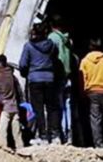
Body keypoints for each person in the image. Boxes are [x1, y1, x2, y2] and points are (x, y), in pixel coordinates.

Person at [19, 22, 62, 144]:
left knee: (38, 109)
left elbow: (23, 64)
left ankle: (42, 135)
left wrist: (26, 73)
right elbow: (55, 59)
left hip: (35, 79)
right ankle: (55, 135)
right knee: (52, 108)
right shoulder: (52, 45)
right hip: (50, 78)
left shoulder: (28, 46)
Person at [80, 37, 103, 148]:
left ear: (90, 47)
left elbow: (82, 77)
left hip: (91, 92)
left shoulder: (85, 61)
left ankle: (98, 145)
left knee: (95, 119)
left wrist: (83, 91)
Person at [0, 55, 24, 149]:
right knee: (17, 132)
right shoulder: (10, 73)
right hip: (15, 106)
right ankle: (21, 147)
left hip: (5, 108)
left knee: (2, 132)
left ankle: (3, 148)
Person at [47, 15, 71, 143]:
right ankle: (69, 134)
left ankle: (59, 134)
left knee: (56, 106)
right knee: (67, 105)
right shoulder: (66, 39)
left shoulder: (53, 38)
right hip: (67, 75)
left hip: (56, 76)